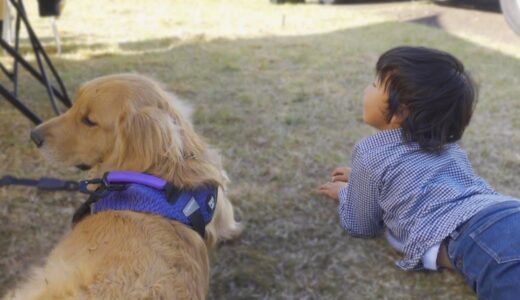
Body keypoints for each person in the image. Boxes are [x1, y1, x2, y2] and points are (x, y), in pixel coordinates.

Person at [318, 46, 520, 299]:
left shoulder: (371, 154)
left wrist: (348, 193)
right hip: (507, 209)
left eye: (373, 84)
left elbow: (361, 225)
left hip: (484, 232)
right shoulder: (450, 150)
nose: (365, 89)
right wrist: (363, 180)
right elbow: (411, 180)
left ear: (402, 110)